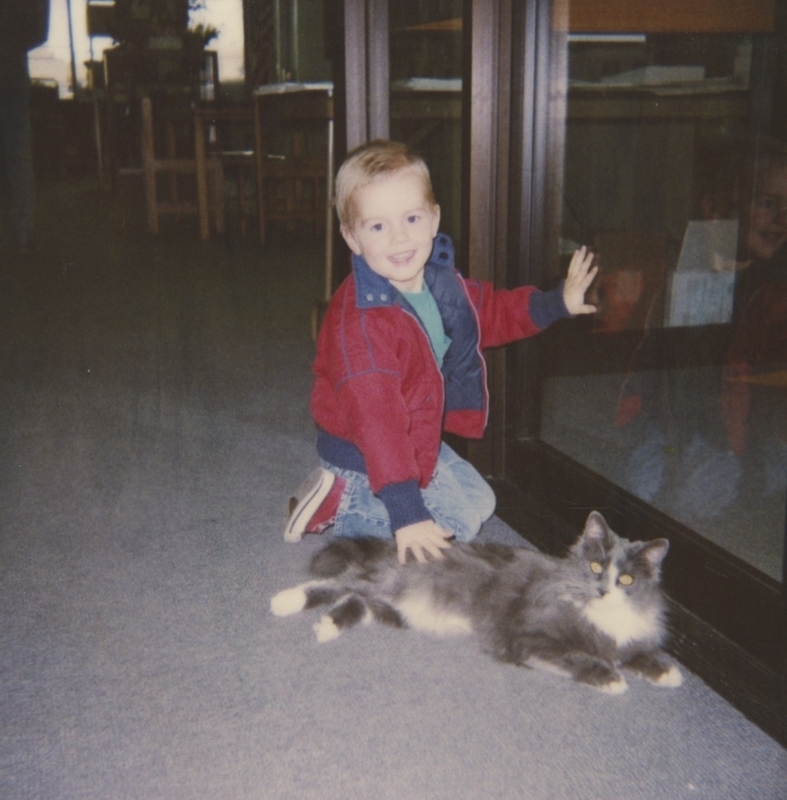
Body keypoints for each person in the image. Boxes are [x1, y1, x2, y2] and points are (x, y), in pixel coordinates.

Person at [284, 139, 597, 564]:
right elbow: (378, 422)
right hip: (363, 450)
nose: (399, 239)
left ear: (434, 219)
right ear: (352, 238)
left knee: (481, 501)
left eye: (411, 218)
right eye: (377, 227)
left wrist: (557, 302)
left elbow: (489, 312)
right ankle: (341, 507)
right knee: (449, 528)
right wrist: (406, 512)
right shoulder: (361, 325)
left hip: (414, 435)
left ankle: (385, 498)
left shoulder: (437, 281)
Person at [0, 0, 50, 253]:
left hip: (11, 71)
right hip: (12, 72)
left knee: (17, 150)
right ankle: (23, 235)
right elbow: (39, 32)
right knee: (17, 152)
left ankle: (23, 233)